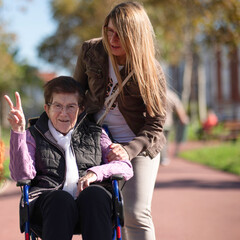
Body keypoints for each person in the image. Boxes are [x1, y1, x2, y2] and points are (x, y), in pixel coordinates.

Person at [73, 2, 167, 240]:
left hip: (138, 147)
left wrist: (128, 150)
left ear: (135, 35)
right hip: (95, 143)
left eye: (121, 34)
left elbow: (155, 124)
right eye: (109, 30)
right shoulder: (91, 51)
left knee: (135, 213)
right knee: (103, 210)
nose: (112, 39)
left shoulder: (150, 70)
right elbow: (75, 95)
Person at [4, 76, 133, 240]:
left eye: (71, 106)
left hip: (92, 208)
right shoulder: (32, 134)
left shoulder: (96, 133)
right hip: (50, 209)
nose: (64, 113)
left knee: (95, 194)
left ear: (81, 109)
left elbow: (125, 167)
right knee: (60, 199)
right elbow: (21, 176)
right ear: (47, 108)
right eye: (57, 105)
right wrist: (18, 132)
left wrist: (95, 173)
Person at [160, 88, 189, 166]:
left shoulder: (156, 93)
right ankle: (164, 158)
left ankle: (162, 157)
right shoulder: (171, 95)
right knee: (165, 141)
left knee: (159, 141)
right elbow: (178, 107)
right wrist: (183, 118)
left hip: (157, 122)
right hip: (168, 123)